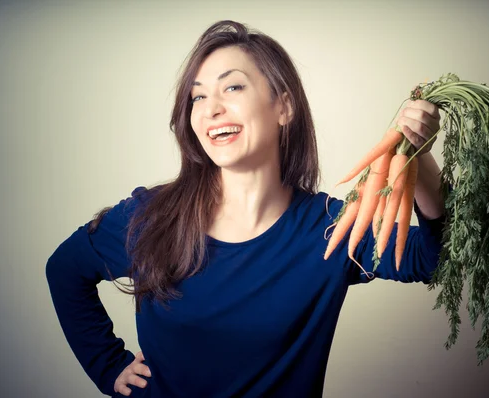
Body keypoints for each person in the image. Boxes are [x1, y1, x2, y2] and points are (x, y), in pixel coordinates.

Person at [46, 20, 446, 398]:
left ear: (283, 107)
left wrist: (417, 155)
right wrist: (107, 365)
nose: (210, 108)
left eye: (232, 88)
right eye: (198, 96)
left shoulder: (331, 229)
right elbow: (65, 269)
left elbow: (431, 259)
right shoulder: (153, 215)